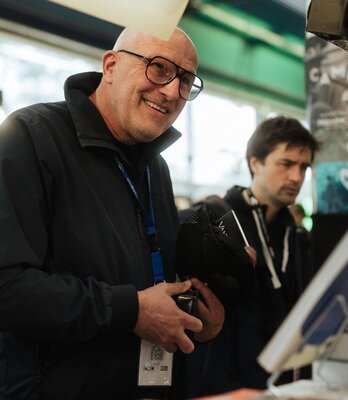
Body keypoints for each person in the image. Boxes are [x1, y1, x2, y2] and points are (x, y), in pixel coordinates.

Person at [0, 27, 224, 400]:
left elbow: (156, 284)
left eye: (185, 80)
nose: (171, 90)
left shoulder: (157, 169)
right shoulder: (31, 137)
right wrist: (129, 309)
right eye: (158, 68)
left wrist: (193, 319)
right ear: (111, 65)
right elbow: (7, 287)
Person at [178, 116, 321, 398]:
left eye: (304, 167)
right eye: (286, 164)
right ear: (255, 162)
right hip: (220, 387)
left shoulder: (296, 235)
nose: (297, 177)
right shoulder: (210, 222)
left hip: (280, 385)